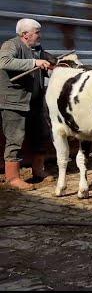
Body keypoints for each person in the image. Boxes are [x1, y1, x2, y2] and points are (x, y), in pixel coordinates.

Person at [0, 18, 54, 190]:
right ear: (25, 34)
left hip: (35, 103)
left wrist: (50, 68)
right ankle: (12, 177)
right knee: (15, 138)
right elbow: (4, 62)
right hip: (14, 103)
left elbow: (43, 66)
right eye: (37, 32)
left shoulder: (37, 49)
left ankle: (38, 171)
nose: (40, 35)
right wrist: (33, 63)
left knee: (41, 135)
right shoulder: (11, 45)